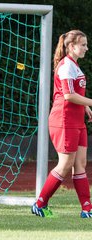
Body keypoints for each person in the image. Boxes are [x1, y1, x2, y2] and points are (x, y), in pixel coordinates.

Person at [31, 30, 92, 218]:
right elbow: (67, 95)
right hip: (63, 120)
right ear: (71, 46)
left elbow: (76, 95)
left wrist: (86, 108)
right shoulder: (66, 66)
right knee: (65, 165)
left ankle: (87, 210)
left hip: (76, 120)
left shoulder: (74, 66)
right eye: (83, 45)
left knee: (80, 163)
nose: (86, 48)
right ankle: (39, 205)